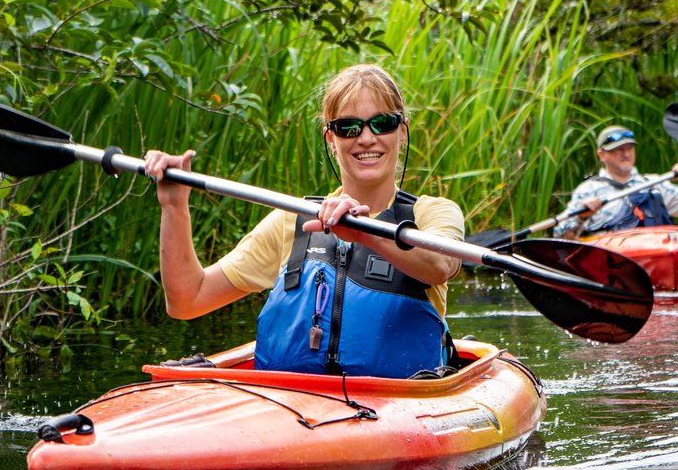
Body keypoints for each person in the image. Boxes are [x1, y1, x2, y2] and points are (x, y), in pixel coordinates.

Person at [142, 63, 464, 379]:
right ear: (330, 139)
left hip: (401, 405)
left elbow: (440, 265)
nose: (367, 138)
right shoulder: (291, 221)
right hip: (294, 404)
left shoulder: (431, 214)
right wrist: (174, 206)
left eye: (382, 123)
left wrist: (364, 235)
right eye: (348, 127)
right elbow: (187, 300)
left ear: (401, 131)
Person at [552, 124, 678, 239]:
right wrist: (582, 217)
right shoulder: (588, 190)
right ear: (601, 155)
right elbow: (561, 236)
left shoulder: (653, 183)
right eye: (618, 149)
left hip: (657, 249)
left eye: (629, 148)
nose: (626, 154)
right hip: (612, 257)